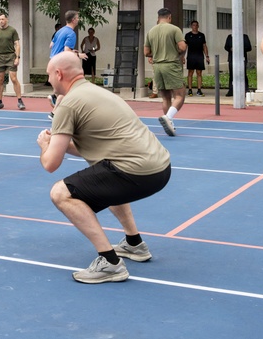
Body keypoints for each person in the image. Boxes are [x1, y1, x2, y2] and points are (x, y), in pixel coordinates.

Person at [36, 52, 172, 284]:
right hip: (160, 168)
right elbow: (91, 147)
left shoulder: (68, 104)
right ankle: (134, 244)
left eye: (49, 75)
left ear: (58, 74)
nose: (49, 80)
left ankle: (109, 263)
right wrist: (59, 145)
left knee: (60, 193)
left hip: (135, 171)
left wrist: (44, 145)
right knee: (102, 176)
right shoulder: (97, 92)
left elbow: (50, 164)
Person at [143, 7, 185, 137]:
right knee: (180, 95)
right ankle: (168, 117)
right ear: (169, 17)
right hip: (171, 64)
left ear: (158, 17)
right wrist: (180, 52)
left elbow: (146, 52)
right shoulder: (174, 29)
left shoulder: (151, 31)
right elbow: (182, 46)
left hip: (158, 66)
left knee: (165, 97)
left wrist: (156, 53)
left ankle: (168, 121)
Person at [0, 13, 25, 110]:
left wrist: (17, 57)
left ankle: (20, 101)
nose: (1, 21)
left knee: (13, 78)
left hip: (11, 56)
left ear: (6, 19)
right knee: (0, 79)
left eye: (2, 19)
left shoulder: (12, 30)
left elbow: (17, 44)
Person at [184, 21, 209, 96]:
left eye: (196, 25)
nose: (195, 26)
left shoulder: (201, 35)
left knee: (199, 73)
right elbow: (185, 47)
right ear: (191, 26)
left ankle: (199, 90)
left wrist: (207, 56)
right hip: (191, 56)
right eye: (193, 25)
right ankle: (190, 89)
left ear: (198, 26)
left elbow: (204, 46)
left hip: (199, 56)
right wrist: (182, 57)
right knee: (190, 73)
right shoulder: (188, 35)